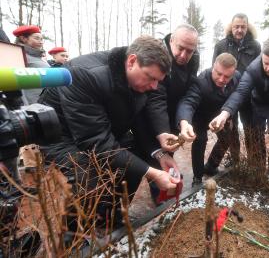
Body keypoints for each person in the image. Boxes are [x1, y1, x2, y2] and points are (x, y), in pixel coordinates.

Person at [39, 35, 180, 226]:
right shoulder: (84, 74)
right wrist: (153, 173)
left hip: (102, 127)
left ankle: (113, 218)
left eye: (159, 81)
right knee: (89, 176)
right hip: (60, 134)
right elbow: (96, 143)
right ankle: (76, 239)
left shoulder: (139, 78)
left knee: (134, 158)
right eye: (151, 78)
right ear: (131, 62)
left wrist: (159, 154)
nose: (154, 87)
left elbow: (138, 119)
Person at [210, 35, 269, 178]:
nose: (267, 67)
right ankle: (259, 167)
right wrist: (225, 113)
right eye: (265, 62)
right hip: (261, 102)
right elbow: (240, 92)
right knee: (257, 135)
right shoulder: (254, 69)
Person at [135, 24, 199, 199]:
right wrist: (162, 130)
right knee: (147, 157)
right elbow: (155, 98)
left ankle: (161, 194)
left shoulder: (193, 60)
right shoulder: (160, 58)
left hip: (172, 116)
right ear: (171, 40)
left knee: (166, 156)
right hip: (149, 115)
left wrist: (183, 120)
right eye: (180, 48)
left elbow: (189, 92)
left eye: (190, 51)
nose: (184, 55)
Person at [176, 53, 241, 185]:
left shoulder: (237, 78)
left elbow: (237, 96)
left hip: (220, 116)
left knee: (227, 137)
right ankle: (198, 176)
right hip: (199, 117)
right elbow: (188, 102)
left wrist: (227, 116)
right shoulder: (200, 81)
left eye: (227, 76)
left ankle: (211, 165)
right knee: (200, 141)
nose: (222, 79)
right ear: (213, 67)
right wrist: (184, 121)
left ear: (233, 73)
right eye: (218, 74)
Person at [212, 13, 261, 163]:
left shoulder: (255, 46)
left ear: (248, 27)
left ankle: (253, 161)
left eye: (243, 27)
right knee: (231, 129)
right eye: (236, 27)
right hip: (227, 94)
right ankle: (234, 159)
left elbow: (259, 69)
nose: (239, 30)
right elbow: (215, 68)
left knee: (249, 128)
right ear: (231, 27)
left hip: (248, 95)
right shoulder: (221, 45)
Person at [13, 25, 50, 104]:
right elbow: (16, 83)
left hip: (46, 101)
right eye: (36, 38)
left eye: (41, 39)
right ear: (23, 39)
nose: (41, 42)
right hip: (33, 104)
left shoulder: (39, 56)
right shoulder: (18, 55)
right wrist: (25, 106)